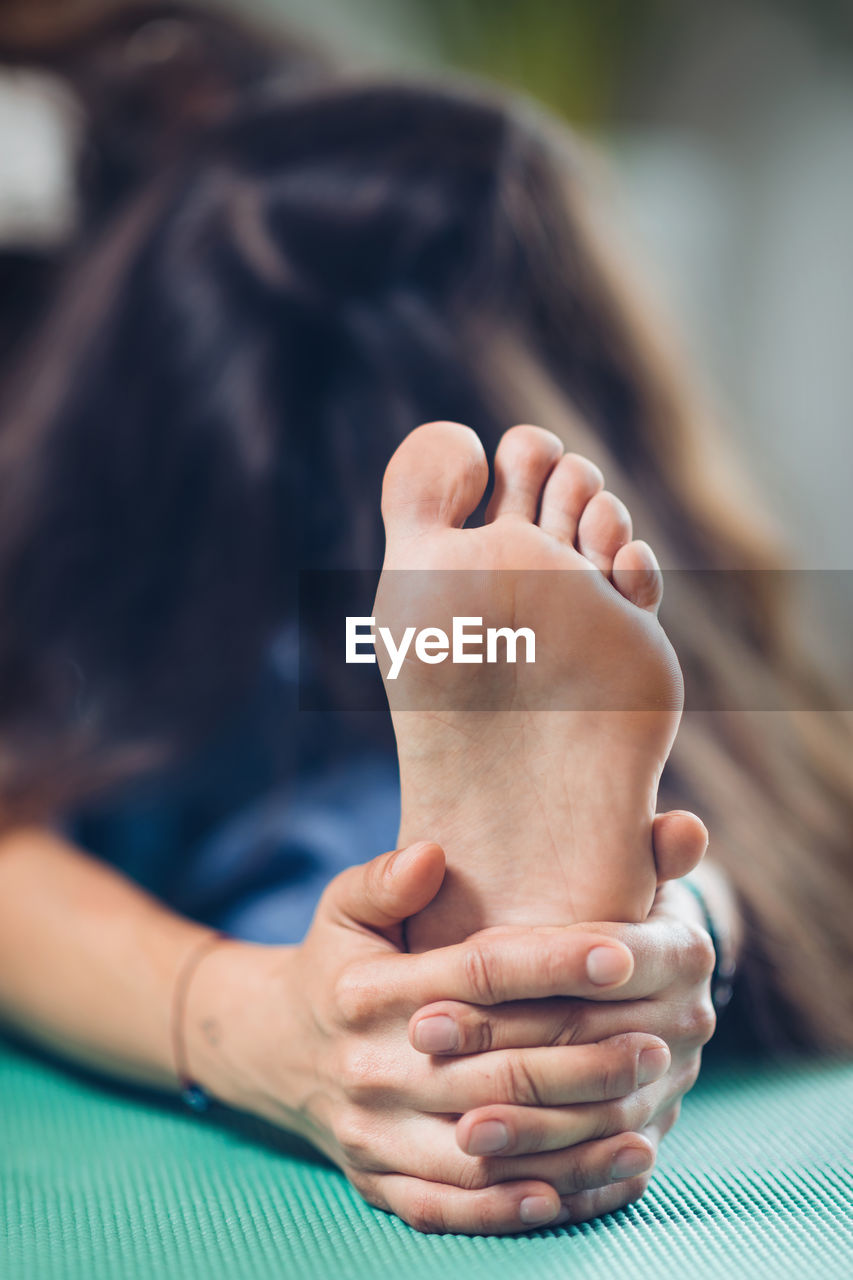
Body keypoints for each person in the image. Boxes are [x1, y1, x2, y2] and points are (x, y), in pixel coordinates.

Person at [0, 1, 850, 1238]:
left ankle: (475, 960)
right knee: (678, 800)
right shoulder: (434, 180)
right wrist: (672, 937)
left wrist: (230, 1015)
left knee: (183, 783)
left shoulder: (126, 264)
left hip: (174, 624)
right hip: (444, 611)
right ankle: (637, 935)